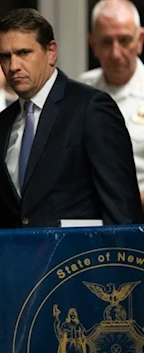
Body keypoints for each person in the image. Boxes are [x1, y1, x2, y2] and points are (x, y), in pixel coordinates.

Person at [0, 8, 142, 230]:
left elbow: (122, 212)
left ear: (51, 52)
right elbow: (1, 212)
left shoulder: (90, 108)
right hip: (19, 261)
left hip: (81, 260)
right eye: (5, 57)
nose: (14, 66)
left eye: (24, 53)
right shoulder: (2, 124)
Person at [79, 0, 144, 210]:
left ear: (140, 40)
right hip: (87, 218)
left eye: (124, 40)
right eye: (106, 42)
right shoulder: (79, 89)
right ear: (93, 44)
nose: (116, 53)